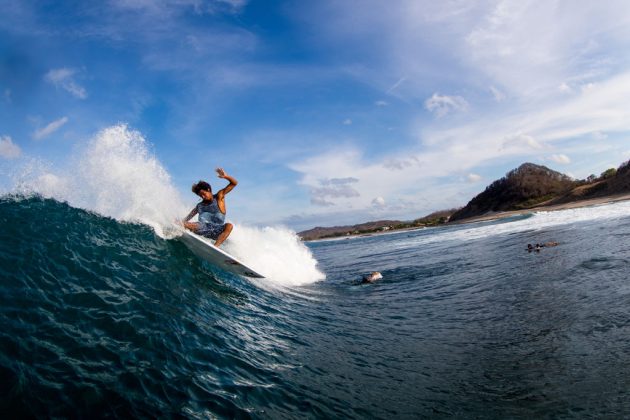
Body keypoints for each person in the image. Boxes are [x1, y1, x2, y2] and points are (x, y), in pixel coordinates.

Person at [182, 168, 237, 247]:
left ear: (209, 190)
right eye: (200, 195)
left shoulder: (219, 197)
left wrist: (226, 176)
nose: (203, 196)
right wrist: (182, 222)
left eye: (203, 194)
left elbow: (234, 183)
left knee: (229, 226)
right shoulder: (200, 206)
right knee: (186, 224)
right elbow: (188, 217)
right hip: (203, 228)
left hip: (217, 231)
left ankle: (215, 247)